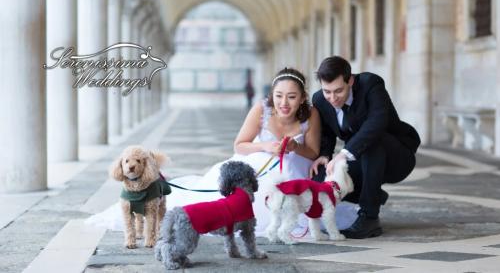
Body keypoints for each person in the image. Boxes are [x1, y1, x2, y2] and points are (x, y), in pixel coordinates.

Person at [86, 67, 358, 235]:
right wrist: (264, 146)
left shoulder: (311, 114)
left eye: (291, 96)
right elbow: (239, 144)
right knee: (221, 199)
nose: (284, 103)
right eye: (279, 95)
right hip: (253, 166)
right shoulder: (260, 110)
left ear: (301, 97)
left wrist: (296, 146)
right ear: (272, 95)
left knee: (296, 206)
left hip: (292, 171)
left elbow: (312, 153)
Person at [310, 56, 420, 239]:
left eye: (338, 91)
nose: (332, 98)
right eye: (327, 91)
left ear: (350, 80)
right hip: (364, 159)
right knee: (323, 176)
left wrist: (343, 154)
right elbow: (327, 131)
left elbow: (377, 123)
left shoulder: (371, 85)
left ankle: (369, 217)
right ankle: (372, 193)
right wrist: (325, 154)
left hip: (397, 156)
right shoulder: (320, 100)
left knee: (371, 140)